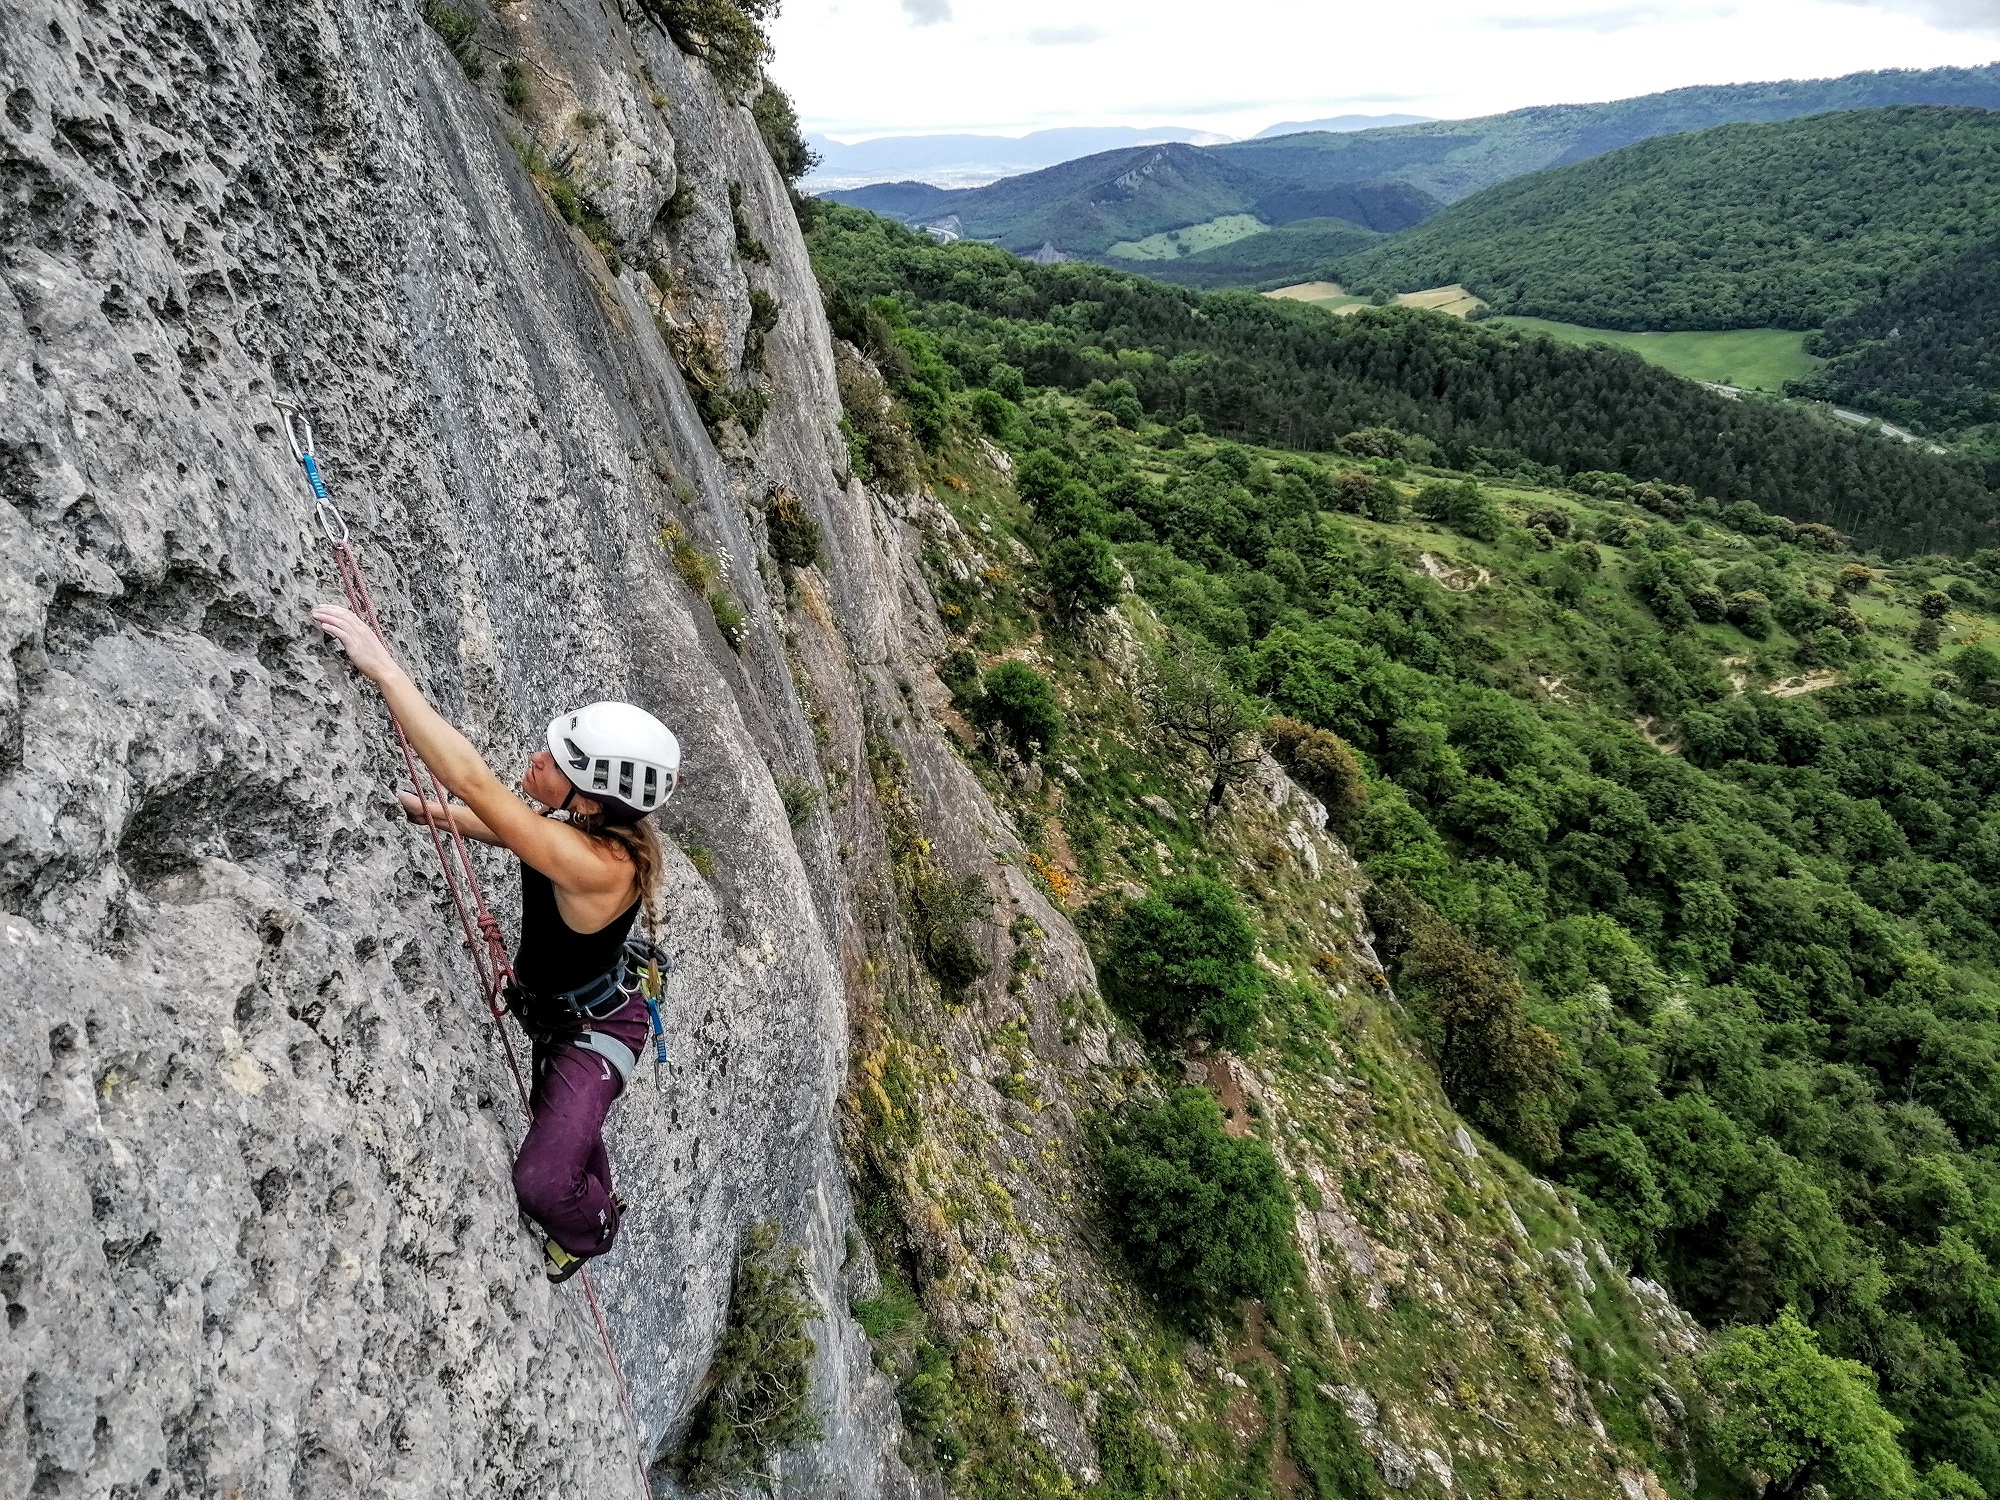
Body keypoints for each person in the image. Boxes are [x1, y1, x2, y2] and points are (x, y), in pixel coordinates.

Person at [312, 603, 680, 1282]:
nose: (538, 757)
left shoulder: (598, 863)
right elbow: (508, 827)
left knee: (542, 1183)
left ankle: (594, 1230)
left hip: (593, 1031)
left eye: (559, 760)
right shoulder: (588, 832)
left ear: (591, 802)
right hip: (565, 1013)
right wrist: (429, 813)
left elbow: (477, 784)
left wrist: (384, 669)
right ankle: (584, 1173)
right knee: (566, 1128)